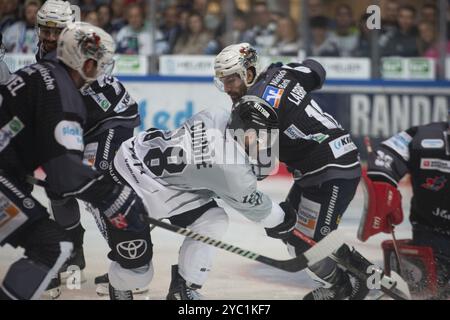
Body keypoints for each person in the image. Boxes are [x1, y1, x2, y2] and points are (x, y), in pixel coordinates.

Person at [0, 21, 148, 300]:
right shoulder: (63, 93)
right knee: (50, 244)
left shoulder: (41, 72)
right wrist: (115, 197)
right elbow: (64, 171)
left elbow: (50, 160)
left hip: (8, 174)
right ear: (86, 64)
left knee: (50, 236)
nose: (101, 72)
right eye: (98, 64)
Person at [214, 43, 366, 300]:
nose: (227, 88)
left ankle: (359, 281)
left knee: (312, 242)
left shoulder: (254, 108)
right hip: (327, 164)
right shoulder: (280, 71)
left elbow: (261, 169)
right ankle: (340, 285)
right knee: (296, 237)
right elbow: (317, 71)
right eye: (222, 81)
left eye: (231, 79)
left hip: (331, 169)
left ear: (249, 73)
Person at [111, 96, 298, 300]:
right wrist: (284, 222)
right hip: (128, 187)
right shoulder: (231, 170)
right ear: (249, 134)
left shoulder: (215, 114)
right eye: (262, 137)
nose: (264, 144)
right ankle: (119, 281)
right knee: (137, 275)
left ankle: (184, 288)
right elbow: (255, 206)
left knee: (213, 219)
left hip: (138, 154)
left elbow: (207, 171)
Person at [35, 0, 143, 299]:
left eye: (57, 31)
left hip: (109, 120)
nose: (50, 37)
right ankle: (73, 256)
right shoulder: (47, 51)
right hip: (82, 124)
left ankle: (129, 264)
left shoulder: (79, 50)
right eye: (46, 29)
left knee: (97, 187)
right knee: (57, 188)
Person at [360, 110, 450, 299]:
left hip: (431, 235)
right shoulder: (423, 137)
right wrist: (384, 192)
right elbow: (383, 159)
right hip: (432, 235)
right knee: (430, 290)